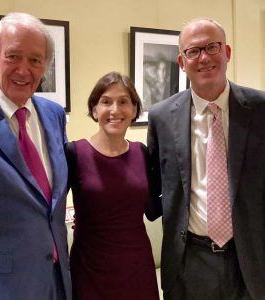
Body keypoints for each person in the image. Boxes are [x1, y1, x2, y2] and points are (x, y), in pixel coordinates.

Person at [147, 17, 265, 300]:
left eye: (212, 47)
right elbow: (150, 184)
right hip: (189, 262)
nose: (204, 58)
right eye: (193, 51)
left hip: (250, 259)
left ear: (227, 53)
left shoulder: (261, 110)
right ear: (181, 61)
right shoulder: (162, 117)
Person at [0, 12, 71, 300]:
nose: (24, 70)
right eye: (13, 56)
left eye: (35, 60)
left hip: (54, 278)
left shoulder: (54, 115)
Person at [65, 71, 159, 300]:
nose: (115, 110)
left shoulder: (142, 152)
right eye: (106, 102)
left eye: (123, 101)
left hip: (137, 267)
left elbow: (153, 209)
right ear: (94, 110)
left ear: (135, 110)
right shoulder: (74, 153)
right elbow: (53, 208)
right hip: (90, 268)